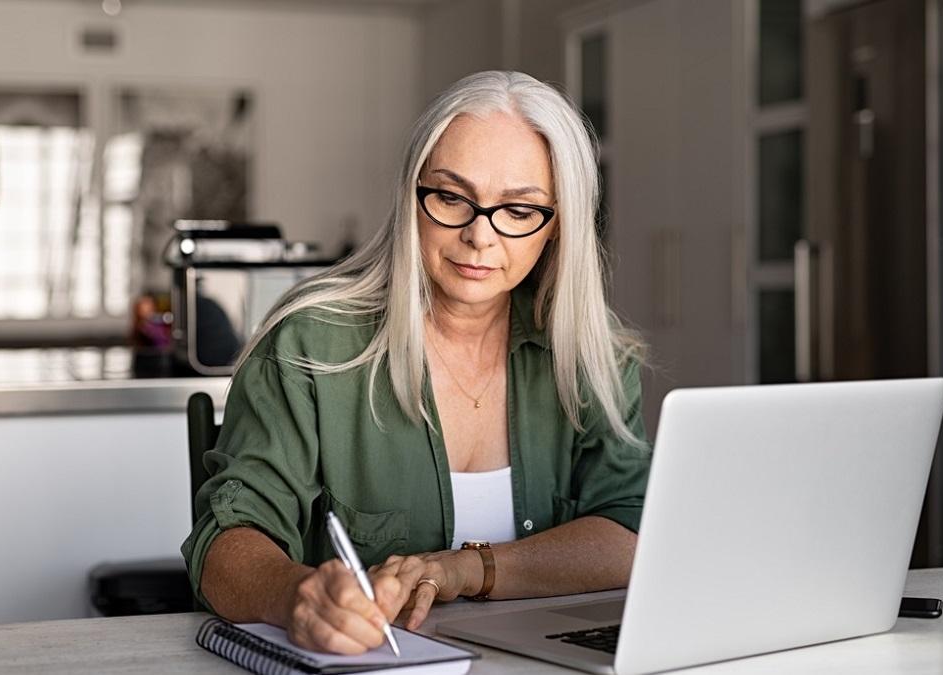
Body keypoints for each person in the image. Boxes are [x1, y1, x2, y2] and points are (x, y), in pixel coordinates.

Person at [181, 70, 650, 656]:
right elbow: (225, 542)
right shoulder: (309, 342)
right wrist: (295, 595)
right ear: (412, 196)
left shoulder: (591, 352)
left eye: (519, 209)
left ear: (557, 227)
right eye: (452, 197)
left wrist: (463, 569)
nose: (480, 236)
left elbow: (629, 533)